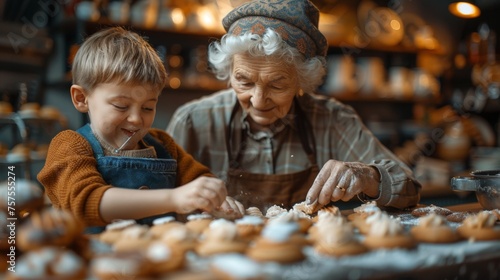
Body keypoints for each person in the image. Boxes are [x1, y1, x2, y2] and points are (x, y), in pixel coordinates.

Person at [166, 0, 421, 212]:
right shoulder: (193, 121)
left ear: (302, 81)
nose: (257, 100)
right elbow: (156, 204)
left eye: (277, 86)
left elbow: (409, 187)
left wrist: (368, 176)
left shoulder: (332, 119)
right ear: (228, 71)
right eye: (243, 81)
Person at [37, 27, 244, 233]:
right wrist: (173, 198)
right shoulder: (70, 146)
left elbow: (201, 180)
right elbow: (84, 203)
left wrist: (217, 197)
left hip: (159, 257)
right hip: (96, 261)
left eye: (148, 107)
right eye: (121, 106)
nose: (136, 119)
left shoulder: (163, 145)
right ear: (81, 98)